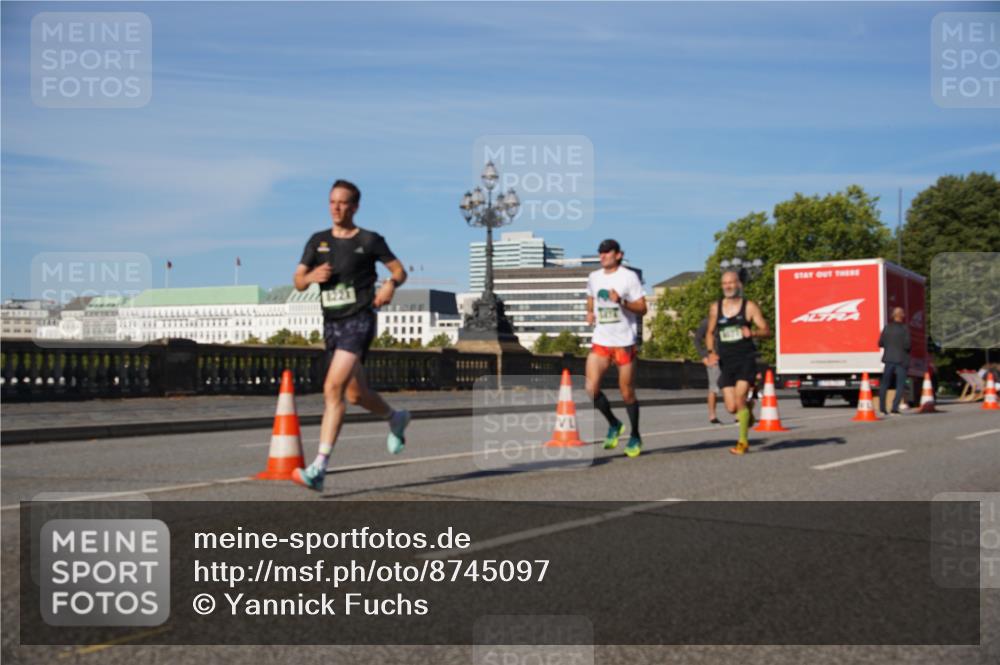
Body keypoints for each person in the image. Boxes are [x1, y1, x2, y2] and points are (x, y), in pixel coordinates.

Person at [290, 179, 411, 491]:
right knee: (356, 395)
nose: (336, 208)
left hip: (359, 320)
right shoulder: (317, 241)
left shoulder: (369, 240)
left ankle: (319, 468)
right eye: (332, 202)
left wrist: (389, 285)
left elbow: (399, 271)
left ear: (355, 207)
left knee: (333, 388)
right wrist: (311, 276)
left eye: (342, 202)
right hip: (332, 323)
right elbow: (298, 280)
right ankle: (395, 417)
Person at [585, 239, 647, 458]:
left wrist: (621, 301)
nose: (602, 256)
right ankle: (614, 423)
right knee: (591, 388)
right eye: (600, 252)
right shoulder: (594, 277)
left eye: (607, 252)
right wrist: (590, 312)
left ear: (618, 255)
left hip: (624, 343)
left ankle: (635, 435)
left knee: (627, 392)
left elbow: (643, 308)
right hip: (601, 341)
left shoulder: (628, 277)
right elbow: (591, 296)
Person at [705, 270, 771, 455]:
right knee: (731, 407)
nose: (728, 286)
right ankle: (748, 410)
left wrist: (753, 333)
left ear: (738, 284)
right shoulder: (715, 308)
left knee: (740, 398)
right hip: (726, 361)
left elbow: (766, 330)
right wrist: (711, 353)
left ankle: (743, 443)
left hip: (745, 359)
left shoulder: (749, 307)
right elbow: (709, 332)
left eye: (731, 282)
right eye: (725, 283)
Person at [878, 306, 911, 415]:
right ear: (902, 316)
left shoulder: (887, 328)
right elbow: (908, 345)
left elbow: (880, 343)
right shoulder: (905, 329)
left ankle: (882, 408)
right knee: (900, 385)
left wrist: (889, 346)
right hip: (901, 359)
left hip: (888, 359)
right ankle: (894, 407)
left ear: (893, 316)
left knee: (884, 384)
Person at [693, 317, 723, 424]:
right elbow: (697, 340)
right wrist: (704, 357)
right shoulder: (707, 322)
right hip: (713, 359)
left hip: (728, 357)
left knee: (733, 386)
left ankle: (737, 414)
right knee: (713, 387)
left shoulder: (728, 320)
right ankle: (712, 415)